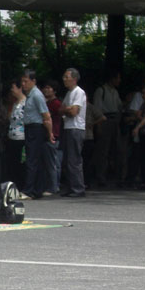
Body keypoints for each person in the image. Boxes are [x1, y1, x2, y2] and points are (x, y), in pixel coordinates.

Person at [20, 69, 54, 200]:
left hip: (36, 128)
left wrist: (50, 133)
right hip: (31, 128)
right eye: (22, 81)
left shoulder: (36, 95)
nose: (23, 84)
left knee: (32, 160)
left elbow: (46, 115)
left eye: (26, 81)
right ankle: (37, 189)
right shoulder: (30, 95)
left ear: (33, 81)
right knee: (35, 160)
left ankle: (29, 190)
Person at [92, 70, 123, 186]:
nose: (119, 81)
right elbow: (97, 108)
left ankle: (117, 176)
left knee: (116, 149)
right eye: (117, 78)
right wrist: (99, 125)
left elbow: (119, 106)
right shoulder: (101, 90)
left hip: (115, 120)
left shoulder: (115, 91)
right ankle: (101, 176)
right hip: (105, 119)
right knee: (103, 150)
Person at [59, 68, 87, 197]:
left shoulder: (78, 92)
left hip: (76, 128)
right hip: (68, 127)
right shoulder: (69, 93)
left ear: (74, 79)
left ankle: (78, 188)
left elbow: (73, 112)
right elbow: (61, 110)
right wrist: (67, 109)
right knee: (67, 159)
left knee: (74, 159)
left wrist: (67, 109)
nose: (64, 79)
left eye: (67, 77)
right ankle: (70, 187)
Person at [2, 80, 26, 189]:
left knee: (20, 163)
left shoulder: (26, 103)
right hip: (12, 136)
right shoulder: (15, 103)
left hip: (21, 137)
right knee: (12, 163)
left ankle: (21, 186)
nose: (12, 90)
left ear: (20, 88)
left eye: (13, 87)